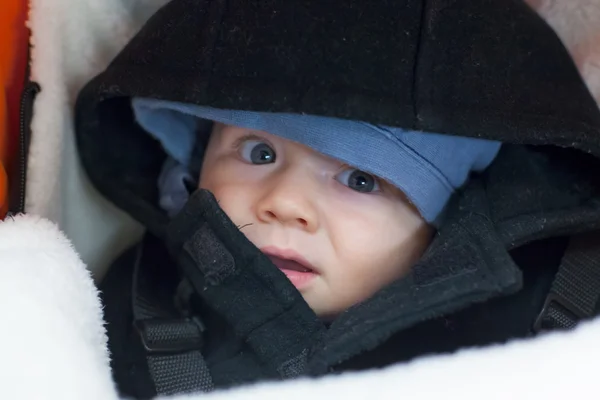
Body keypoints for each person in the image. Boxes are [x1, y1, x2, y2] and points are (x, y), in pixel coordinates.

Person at [74, 0, 600, 398]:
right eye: (258, 153)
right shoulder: (138, 301)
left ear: (448, 221)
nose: (285, 204)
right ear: (195, 161)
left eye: (361, 180)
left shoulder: (550, 320)